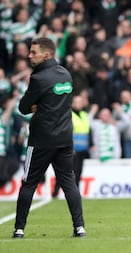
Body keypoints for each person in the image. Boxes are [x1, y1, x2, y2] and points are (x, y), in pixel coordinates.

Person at [12, 37, 85, 238]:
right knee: (69, 183)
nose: (29, 55)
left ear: (46, 55)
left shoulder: (38, 79)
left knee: (28, 184)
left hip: (41, 141)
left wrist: (39, 104)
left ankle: (19, 229)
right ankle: (79, 227)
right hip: (64, 139)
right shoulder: (66, 74)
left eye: (33, 52)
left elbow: (23, 107)